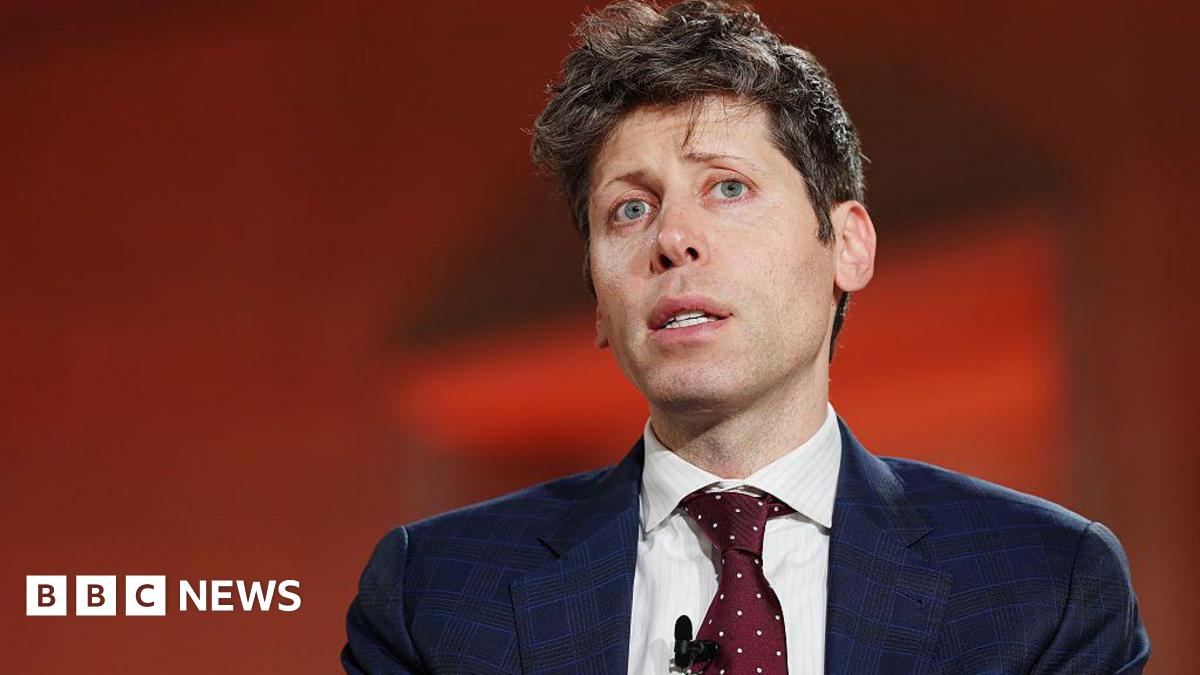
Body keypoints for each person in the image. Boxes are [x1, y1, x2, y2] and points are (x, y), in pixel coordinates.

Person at [341, 1, 1150, 673]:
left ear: (848, 245)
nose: (672, 239)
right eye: (629, 208)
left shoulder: (1044, 585)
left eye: (726, 187)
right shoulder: (434, 598)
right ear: (596, 301)